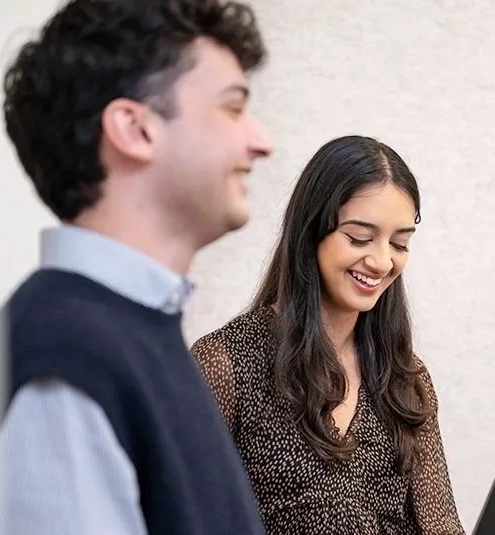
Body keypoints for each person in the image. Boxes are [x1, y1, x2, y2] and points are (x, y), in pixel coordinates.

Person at [0, 1, 273, 534]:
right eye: (232, 108)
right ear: (134, 129)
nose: (261, 141)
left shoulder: (133, 332)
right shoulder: (65, 356)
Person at [191, 135, 465, 535]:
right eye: (359, 238)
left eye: (400, 243)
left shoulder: (406, 380)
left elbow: (441, 526)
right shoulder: (225, 362)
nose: (382, 260)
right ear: (311, 230)